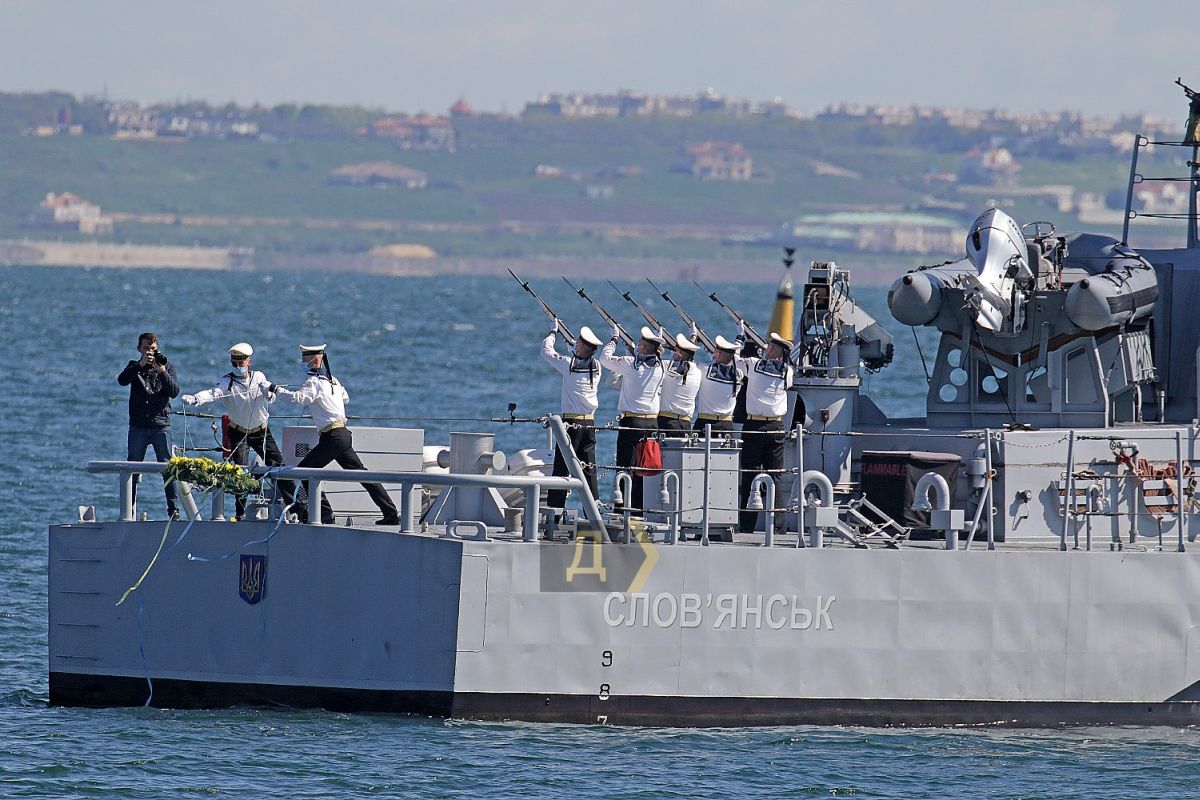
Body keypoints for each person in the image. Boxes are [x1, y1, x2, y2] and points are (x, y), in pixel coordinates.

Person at [274, 344, 399, 526]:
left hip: (333, 437)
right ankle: (391, 513)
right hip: (342, 434)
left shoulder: (314, 383)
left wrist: (275, 390)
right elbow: (345, 398)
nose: (302, 362)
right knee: (363, 475)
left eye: (304, 358)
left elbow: (298, 399)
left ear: (314, 359)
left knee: (305, 471)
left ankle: (325, 514)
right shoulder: (334, 381)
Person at [181, 342, 294, 520]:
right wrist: (196, 399)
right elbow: (214, 392)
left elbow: (270, 397)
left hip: (260, 432)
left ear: (249, 361)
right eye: (234, 363)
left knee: (280, 468)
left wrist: (269, 392)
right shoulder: (228, 381)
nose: (238, 366)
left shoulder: (258, 377)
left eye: (241, 362)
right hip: (238, 432)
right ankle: (240, 513)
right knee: (240, 472)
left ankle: (294, 509)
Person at [733, 327, 795, 533]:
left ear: (777, 350)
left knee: (750, 474)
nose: (766, 348)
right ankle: (778, 525)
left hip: (754, 425)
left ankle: (747, 525)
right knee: (775, 475)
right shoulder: (788, 371)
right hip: (776, 426)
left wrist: (740, 338)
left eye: (770, 346)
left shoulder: (753, 364)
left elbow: (734, 360)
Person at [599, 325, 666, 513]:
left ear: (644, 348)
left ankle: (621, 509)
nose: (637, 346)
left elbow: (604, 359)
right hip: (651, 423)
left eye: (640, 344)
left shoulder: (630, 364)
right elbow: (653, 359)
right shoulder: (660, 367)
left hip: (632, 422)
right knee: (643, 467)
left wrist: (613, 339)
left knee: (624, 466)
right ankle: (638, 509)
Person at [117, 331, 180, 518]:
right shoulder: (134, 367)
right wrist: (140, 365)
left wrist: (160, 370)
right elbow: (122, 380)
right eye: (146, 348)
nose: (150, 352)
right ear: (139, 349)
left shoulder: (167, 367)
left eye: (152, 349)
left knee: (167, 468)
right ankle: (129, 509)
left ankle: (173, 509)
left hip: (161, 425)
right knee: (132, 468)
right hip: (138, 426)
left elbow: (174, 391)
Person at [541, 323, 604, 510]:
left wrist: (553, 331)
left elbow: (546, 351)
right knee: (589, 470)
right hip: (590, 423)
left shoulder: (568, 365)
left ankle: (555, 511)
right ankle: (593, 512)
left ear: (583, 347)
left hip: (570, 424)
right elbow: (581, 358)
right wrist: (574, 348)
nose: (576, 344)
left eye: (579, 343)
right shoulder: (597, 367)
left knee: (561, 469)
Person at [693, 335, 742, 434]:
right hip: (726, 424)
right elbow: (732, 361)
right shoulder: (739, 374)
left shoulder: (704, 370)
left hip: (705, 423)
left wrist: (693, 338)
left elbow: (688, 363)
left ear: (718, 354)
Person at [657, 333, 701, 432]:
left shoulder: (666, 366)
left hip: (665, 422)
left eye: (675, 351)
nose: (673, 353)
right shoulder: (698, 371)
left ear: (681, 353)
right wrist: (692, 338)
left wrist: (656, 351)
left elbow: (649, 364)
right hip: (685, 423)